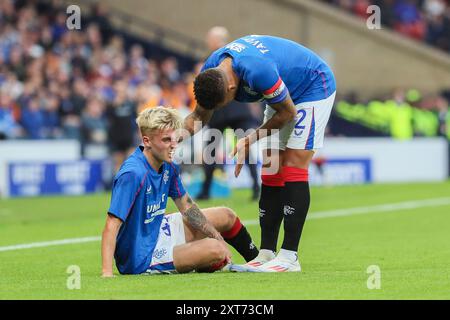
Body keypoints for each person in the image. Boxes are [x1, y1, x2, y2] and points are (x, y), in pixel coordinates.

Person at [184, 35, 336, 272]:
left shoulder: (258, 71)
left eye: (223, 103)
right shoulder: (211, 72)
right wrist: (171, 141)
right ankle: (266, 253)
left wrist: (250, 139)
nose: (223, 108)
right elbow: (199, 116)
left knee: (293, 164)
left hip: (311, 86)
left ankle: (289, 257)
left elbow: (287, 113)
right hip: (282, 92)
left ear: (231, 87)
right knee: (271, 164)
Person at [101, 107, 259, 276]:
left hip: (158, 229)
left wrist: (216, 234)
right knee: (216, 250)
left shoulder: (168, 164)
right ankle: (205, 260)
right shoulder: (133, 173)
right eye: (166, 140)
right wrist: (107, 272)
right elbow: (112, 224)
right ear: (147, 141)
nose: (173, 146)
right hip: (140, 255)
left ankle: (258, 261)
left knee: (226, 215)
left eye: (175, 139)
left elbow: (187, 206)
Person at [197, 26, 260, 201]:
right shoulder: (237, 56)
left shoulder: (215, 59)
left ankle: (206, 190)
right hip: (234, 110)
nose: (207, 41)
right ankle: (255, 187)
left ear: (217, 40)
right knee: (239, 148)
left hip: (226, 110)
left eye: (210, 38)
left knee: (214, 150)